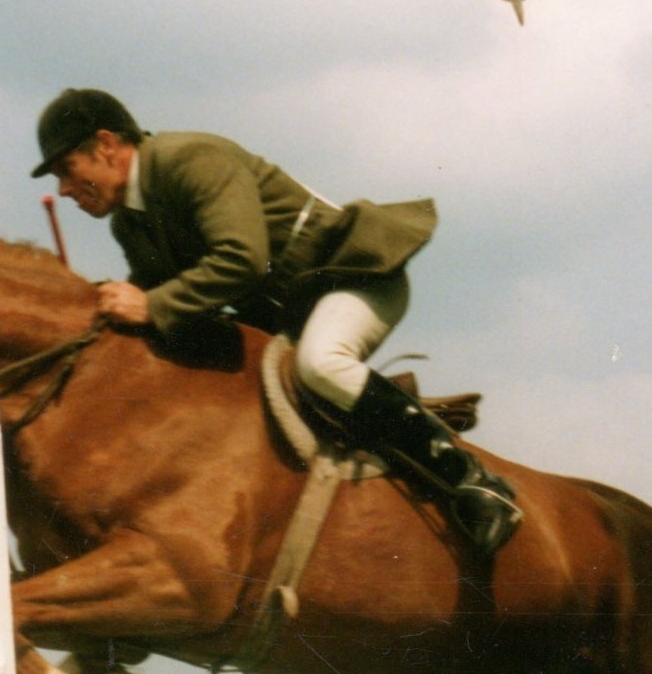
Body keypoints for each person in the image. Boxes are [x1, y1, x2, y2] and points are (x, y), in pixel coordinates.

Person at [30, 87, 522, 557]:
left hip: (352, 279)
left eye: (68, 170)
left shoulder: (190, 159)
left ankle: (474, 481)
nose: (66, 189)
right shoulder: (130, 221)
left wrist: (150, 305)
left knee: (321, 364)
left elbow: (242, 259)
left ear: (108, 145)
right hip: (291, 314)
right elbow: (157, 304)